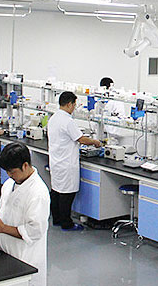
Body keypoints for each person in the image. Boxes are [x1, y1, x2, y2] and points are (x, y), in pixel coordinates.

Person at [0, 143, 50, 286]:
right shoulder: (10, 183)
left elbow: (34, 231)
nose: (9, 175)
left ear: (25, 165)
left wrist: (2, 228)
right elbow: (6, 208)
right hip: (4, 253)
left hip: (24, 259)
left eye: (12, 171)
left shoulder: (38, 193)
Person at [47, 91, 101, 231]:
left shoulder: (53, 118)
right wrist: (95, 142)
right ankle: (67, 224)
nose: (74, 108)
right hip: (67, 163)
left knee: (56, 192)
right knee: (67, 194)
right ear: (69, 104)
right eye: (74, 105)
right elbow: (81, 139)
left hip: (56, 161)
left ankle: (57, 219)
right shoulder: (68, 121)